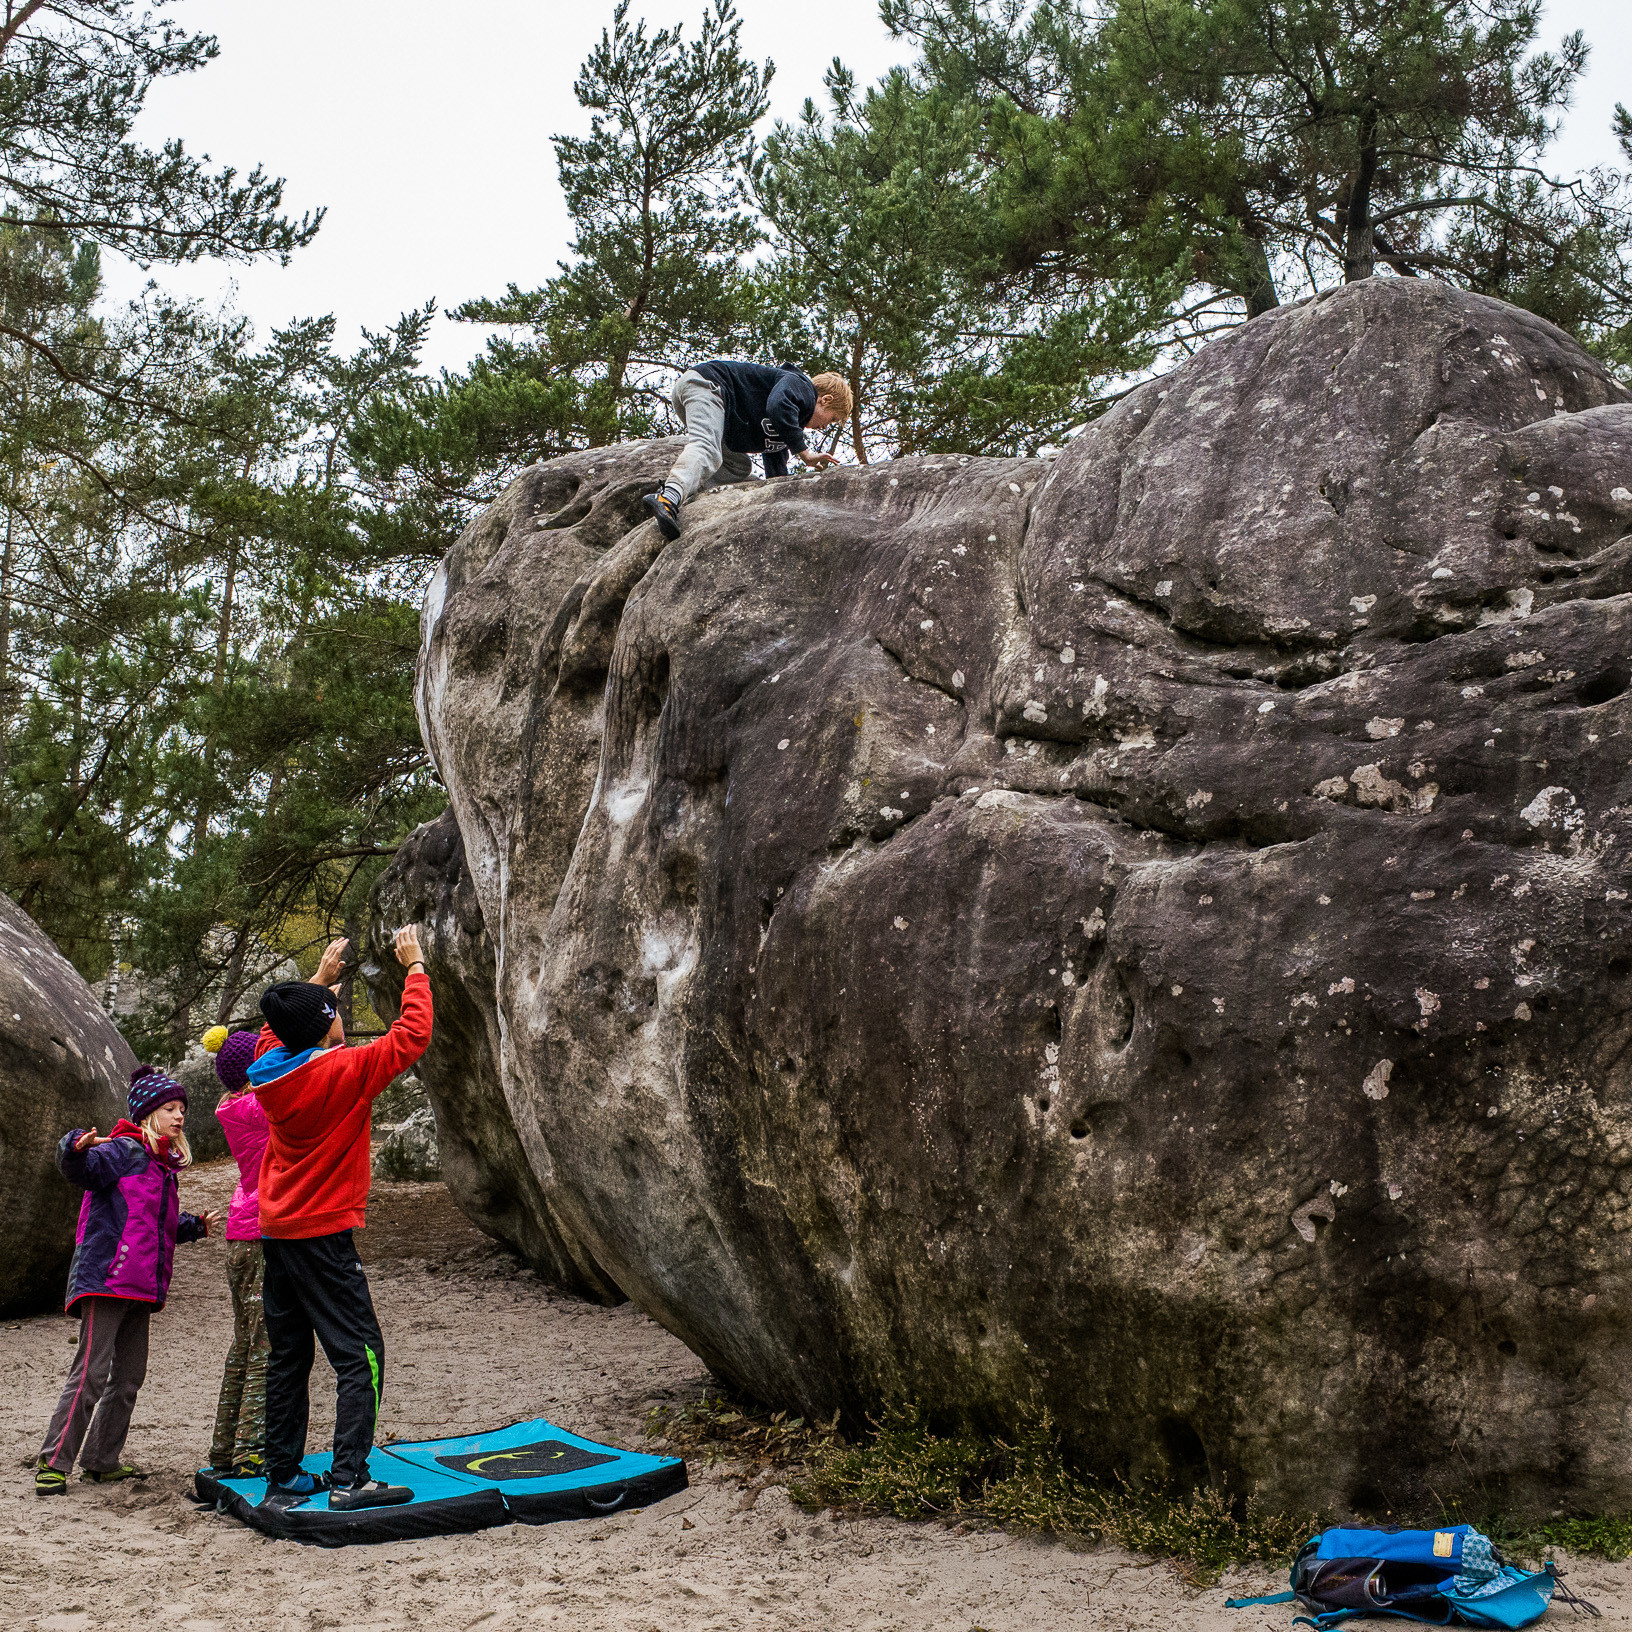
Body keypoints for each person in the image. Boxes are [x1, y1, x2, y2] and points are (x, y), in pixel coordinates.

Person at [247, 926, 432, 1512]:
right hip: (324, 1233)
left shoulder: (269, 1071)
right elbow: (411, 1035)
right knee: (361, 1351)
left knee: (290, 1354)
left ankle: (283, 1476)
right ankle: (351, 1479)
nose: (341, 1019)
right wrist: (416, 966)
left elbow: (273, 1033)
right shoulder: (342, 1071)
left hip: (278, 1230)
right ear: (324, 1026)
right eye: (333, 1012)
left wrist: (317, 981)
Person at [35, 1068, 220, 1495]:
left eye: (182, 1110)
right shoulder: (121, 1151)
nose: (179, 1117)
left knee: (129, 1377)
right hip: (106, 1280)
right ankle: (54, 1462)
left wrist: (193, 1227)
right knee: (91, 1373)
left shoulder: (162, 1166)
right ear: (147, 1113)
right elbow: (79, 1169)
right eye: (170, 1109)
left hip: (142, 1285)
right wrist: (75, 1147)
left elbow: (158, 1224)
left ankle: (101, 1460)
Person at [642, 360, 852, 539]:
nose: (825, 427)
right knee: (706, 447)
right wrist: (804, 453)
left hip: (710, 400)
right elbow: (779, 405)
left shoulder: (785, 426)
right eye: (832, 418)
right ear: (826, 400)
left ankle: (684, 496)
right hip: (708, 386)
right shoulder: (802, 387)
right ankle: (668, 497)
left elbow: (776, 468)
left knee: (736, 467)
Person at [202, 1027, 272, 1478]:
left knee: (244, 1341)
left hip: (239, 1229)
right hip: (262, 1232)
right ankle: (250, 1451)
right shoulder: (259, 1106)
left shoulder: (233, 1106)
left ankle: (224, 1449)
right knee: (265, 1342)